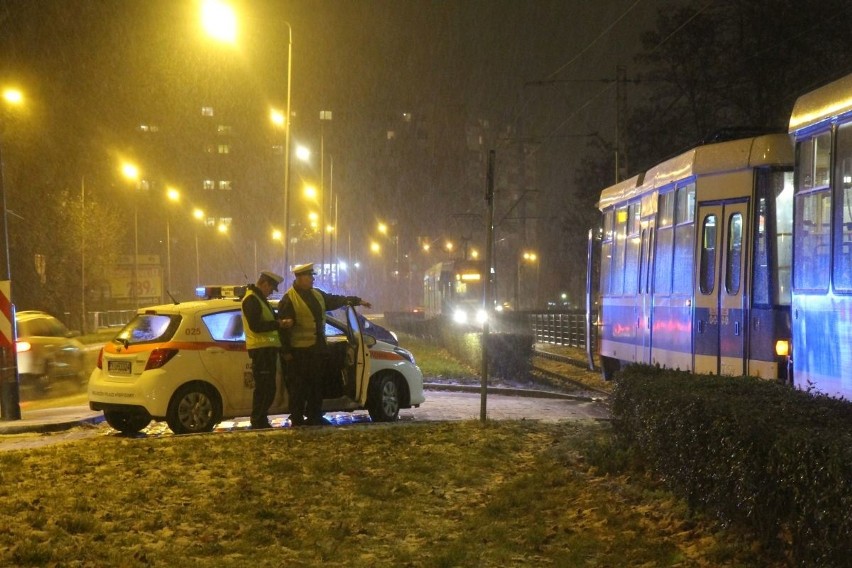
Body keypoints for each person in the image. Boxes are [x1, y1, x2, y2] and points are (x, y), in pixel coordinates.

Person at [278, 263, 372, 426]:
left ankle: (314, 415)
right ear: (299, 278)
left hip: (316, 349)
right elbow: (283, 329)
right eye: (309, 276)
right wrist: (286, 352)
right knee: (298, 387)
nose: (313, 279)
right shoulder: (289, 299)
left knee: (316, 384)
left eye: (312, 276)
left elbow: (334, 300)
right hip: (299, 352)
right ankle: (297, 417)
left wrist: (356, 301)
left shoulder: (316, 294)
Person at [240, 270, 292, 429]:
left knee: (268, 388)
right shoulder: (251, 300)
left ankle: (260, 419)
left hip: (267, 350)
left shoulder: (259, 299)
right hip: (261, 351)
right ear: (264, 284)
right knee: (265, 389)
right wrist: (279, 324)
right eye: (271, 288)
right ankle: (258, 421)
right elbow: (256, 326)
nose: (271, 292)